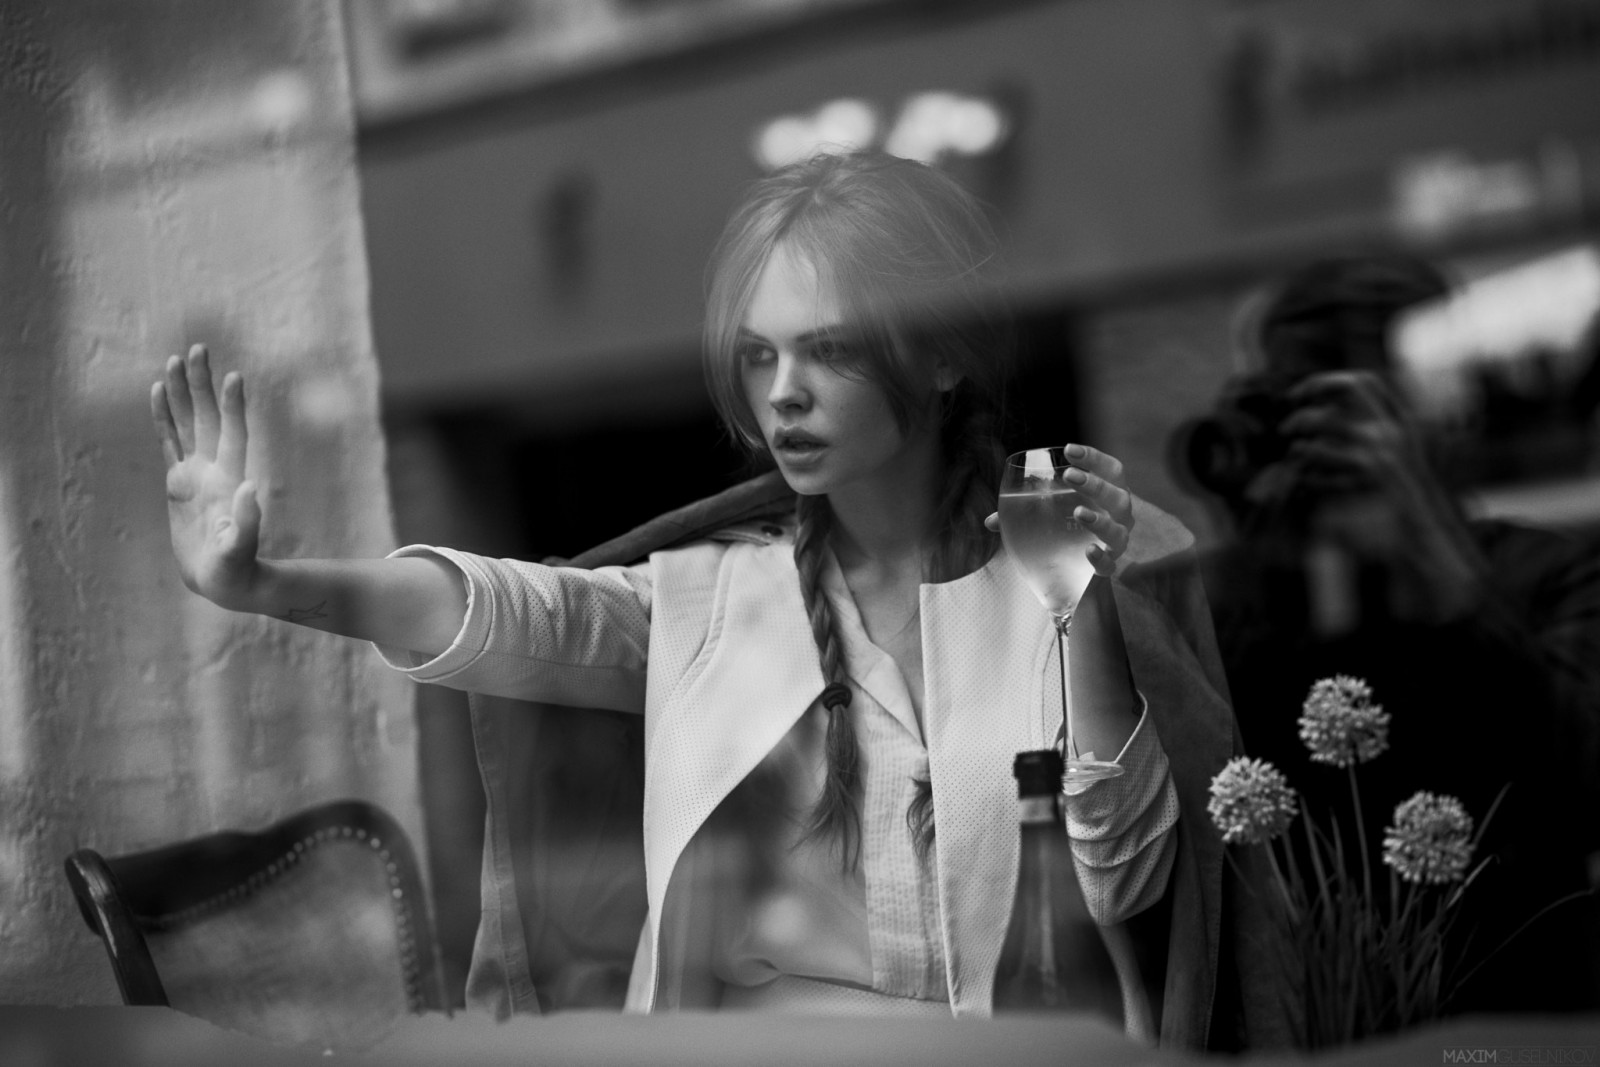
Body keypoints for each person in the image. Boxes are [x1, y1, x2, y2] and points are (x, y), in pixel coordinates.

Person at [152, 150, 1281, 1048]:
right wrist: (267, 582)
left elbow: (1128, 879)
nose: (781, 394)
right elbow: (510, 610)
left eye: (827, 349)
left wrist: (1079, 605)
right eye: (756, 356)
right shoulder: (706, 598)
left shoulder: (1048, 587)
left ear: (940, 358)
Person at [1178, 252, 1600, 1016]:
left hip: (1514, 1029)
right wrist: (1263, 550)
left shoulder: (1552, 573)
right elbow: (1189, 815)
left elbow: (1582, 785)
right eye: (1295, 413)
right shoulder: (1227, 598)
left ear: (1440, 420)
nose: (1328, 445)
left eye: (1351, 413)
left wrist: (1429, 546)